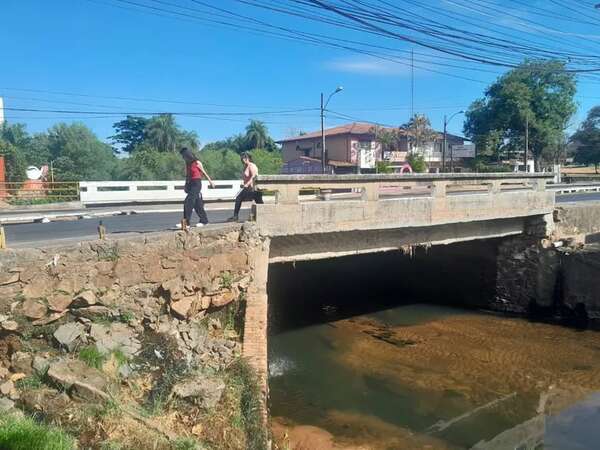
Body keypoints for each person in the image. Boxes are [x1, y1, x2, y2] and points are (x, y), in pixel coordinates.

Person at [178, 147, 215, 228]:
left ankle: (186, 223)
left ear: (188, 155)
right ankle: (204, 220)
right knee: (197, 204)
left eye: (184, 156)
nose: (183, 158)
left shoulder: (197, 162)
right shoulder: (187, 164)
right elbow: (187, 176)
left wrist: (210, 182)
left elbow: (204, 172)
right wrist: (186, 185)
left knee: (188, 201)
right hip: (191, 183)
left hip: (197, 184)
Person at [228, 152, 263, 222]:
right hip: (248, 188)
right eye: (241, 159)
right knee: (259, 202)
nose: (242, 160)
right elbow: (246, 177)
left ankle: (235, 216)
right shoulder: (245, 166)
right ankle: (235, 216)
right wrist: (243, 183)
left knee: (239, 198)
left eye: (242, 158)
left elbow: (254, 176)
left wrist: (247, 184)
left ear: (247, 158)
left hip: (254, 188)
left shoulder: (252, 166)